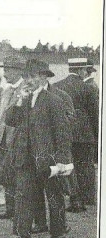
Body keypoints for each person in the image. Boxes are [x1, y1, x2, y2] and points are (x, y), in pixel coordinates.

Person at [1, 59, 72, 238]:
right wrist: (18, 101)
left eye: (32, 76)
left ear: (43, 77)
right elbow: (9, 120)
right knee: (22, 194)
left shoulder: (53, 100)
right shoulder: (23, 99)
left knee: (54, 195)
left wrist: (62, 160)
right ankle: (20, 233)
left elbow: (62, 133)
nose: (28, 80)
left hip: (48, 159)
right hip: (25, 157)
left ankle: (58, 233)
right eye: (26, 76)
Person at [53, 58, 99, 212]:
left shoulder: (57, 86)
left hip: (64, 132)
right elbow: (95, 115)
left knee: (68, 165)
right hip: (85, 134)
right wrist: (97, 135)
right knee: (85, 166)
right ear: (81, 70)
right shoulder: (89, 88)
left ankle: (73, 197)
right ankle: (87, 198)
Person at [0, 56, 27, 220]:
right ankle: (10, 209)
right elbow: (1, 117)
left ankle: (19, 211)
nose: (5, 74)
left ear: (18, 71)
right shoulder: (6, 90)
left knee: (18, 176)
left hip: (18, 141)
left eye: (8, 70)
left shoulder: (25, 89)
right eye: (5, 70)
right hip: (4, 139)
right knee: (5, 175)